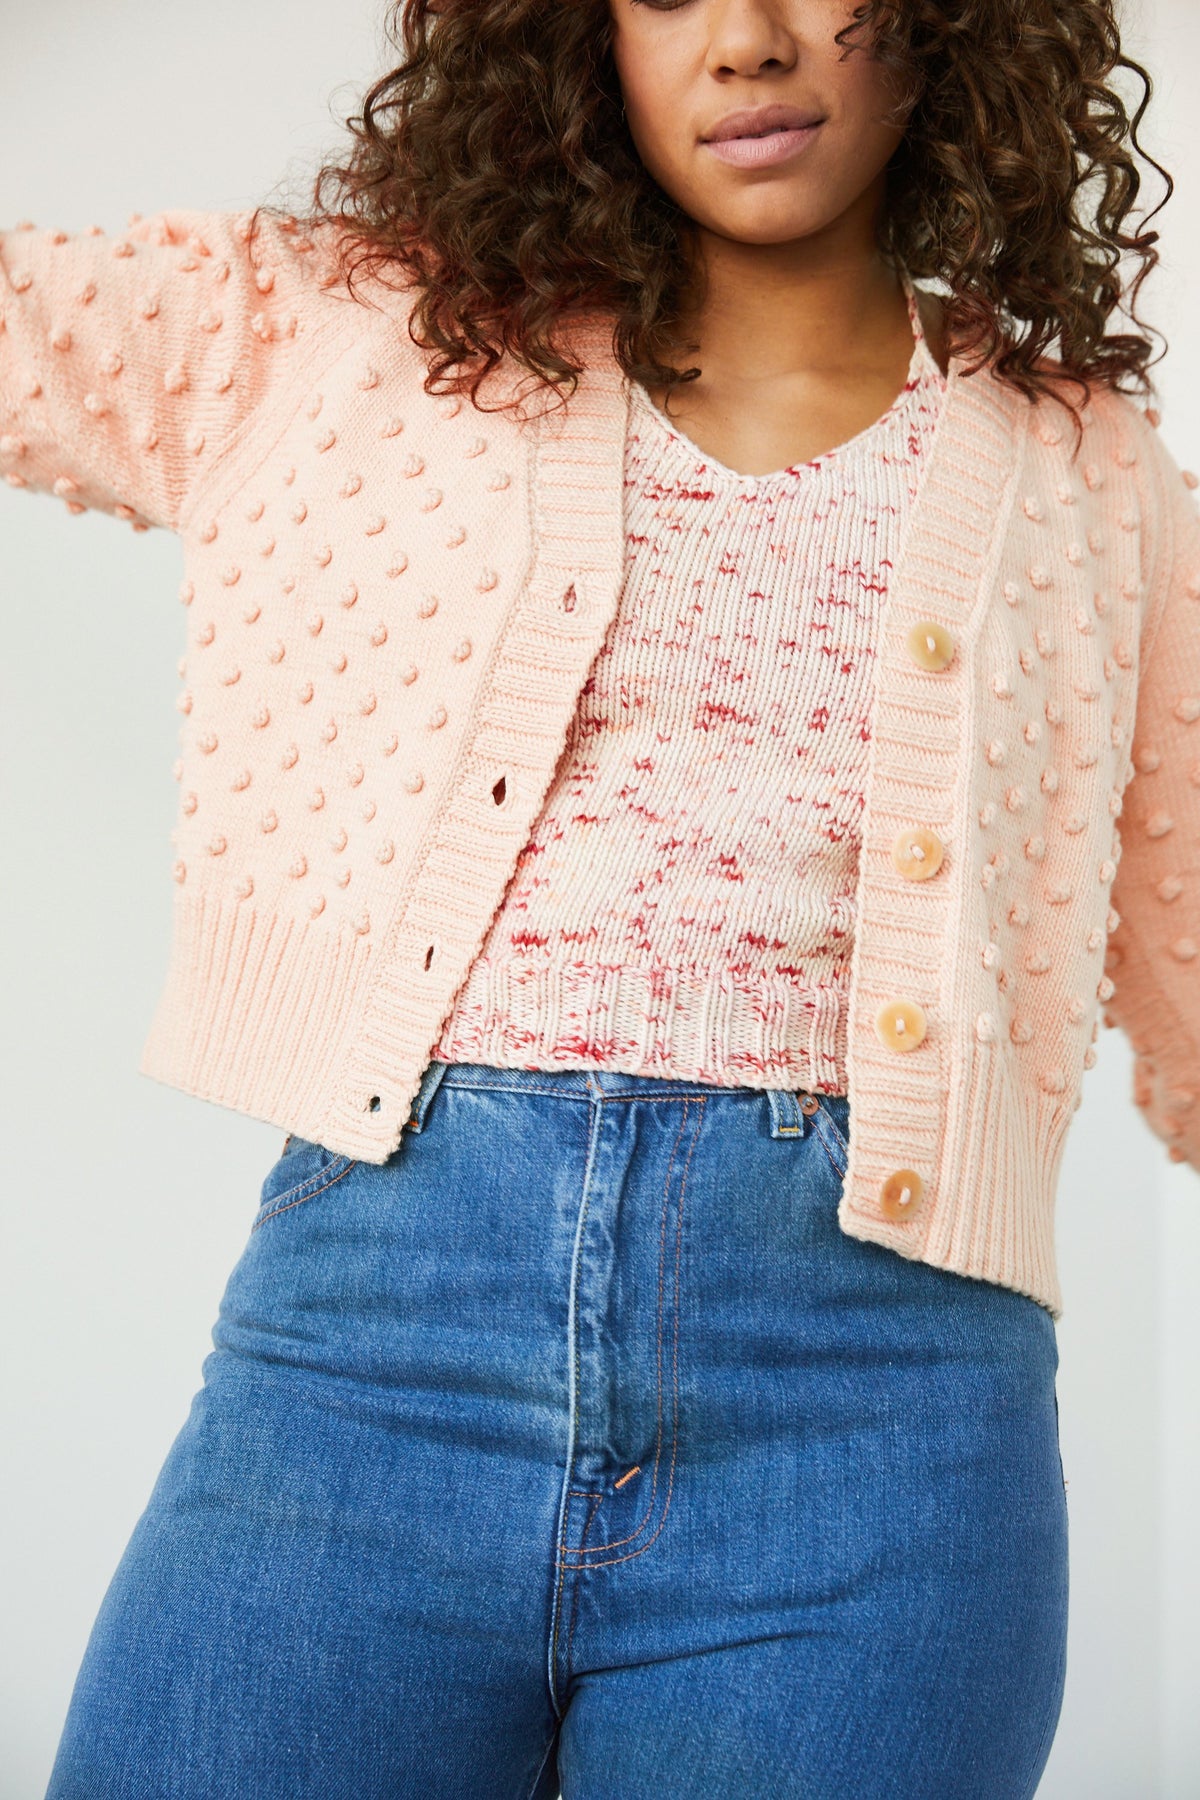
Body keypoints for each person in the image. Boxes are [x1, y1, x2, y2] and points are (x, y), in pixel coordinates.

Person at [4, 0, 1197, 1794]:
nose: (747, 41)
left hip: (879, 1425)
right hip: (366, 1366)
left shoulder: (1085, 466)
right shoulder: (339, 333)